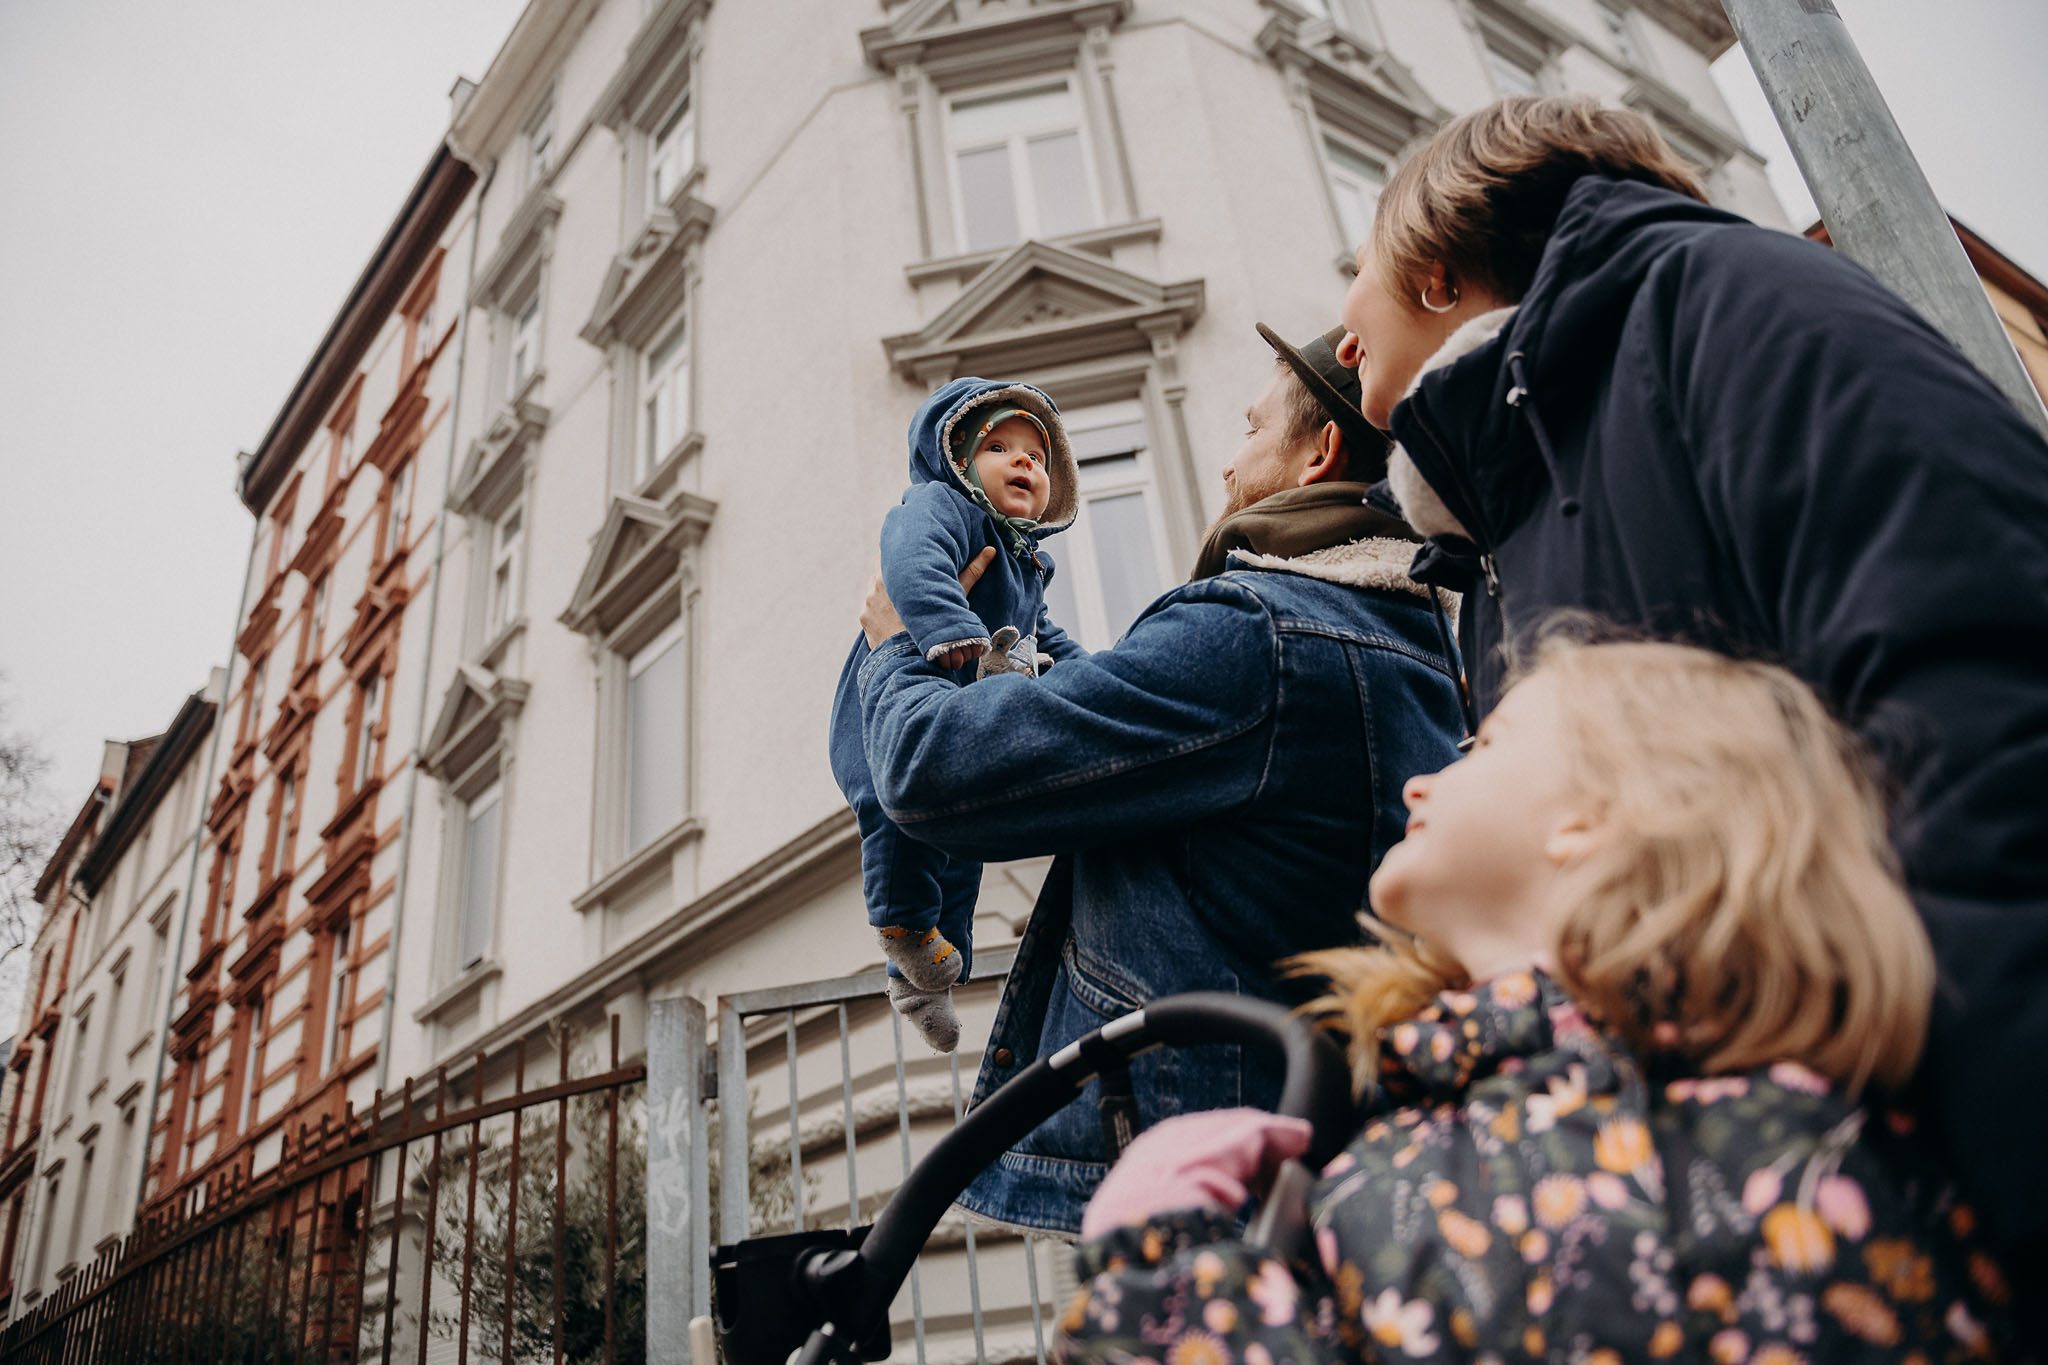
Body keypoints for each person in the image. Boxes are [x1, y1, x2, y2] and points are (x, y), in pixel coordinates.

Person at [1333, 94, 2048, 1282]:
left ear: (1431, 264)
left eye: (1355, 265)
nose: (1338, 332)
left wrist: (1962, 1199)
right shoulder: (1494, 521)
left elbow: (1984, 688)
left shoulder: (1721, 300)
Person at [1060, 638, 2017, 1364]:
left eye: (1484, 743)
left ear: (1598, 814)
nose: (1422, 778)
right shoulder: (1829, 1132)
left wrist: (1153, 1261)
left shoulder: (1444, 1183)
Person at [851, 326, 1466, 1233]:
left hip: (1207, 1189)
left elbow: (929, 771)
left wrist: (897, 642)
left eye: (1252, 430)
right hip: (1331, 1172)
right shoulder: (1425, 654)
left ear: (1318, 453)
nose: (1227, 466)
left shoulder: (1255, 634)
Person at [829, 378, 1086, 1052]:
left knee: (962, 839)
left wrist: (1092, 676)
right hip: (884, 702)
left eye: (1036, 453)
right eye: (999, 446)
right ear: (959, 461)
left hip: (953, 714)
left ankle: (927, 982)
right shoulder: (942, 506)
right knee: (899, 820)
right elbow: (909, 556)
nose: (1024, 460)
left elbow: (1044, 637)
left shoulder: (1027, 562)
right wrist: (949, 629)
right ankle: (902, 928)